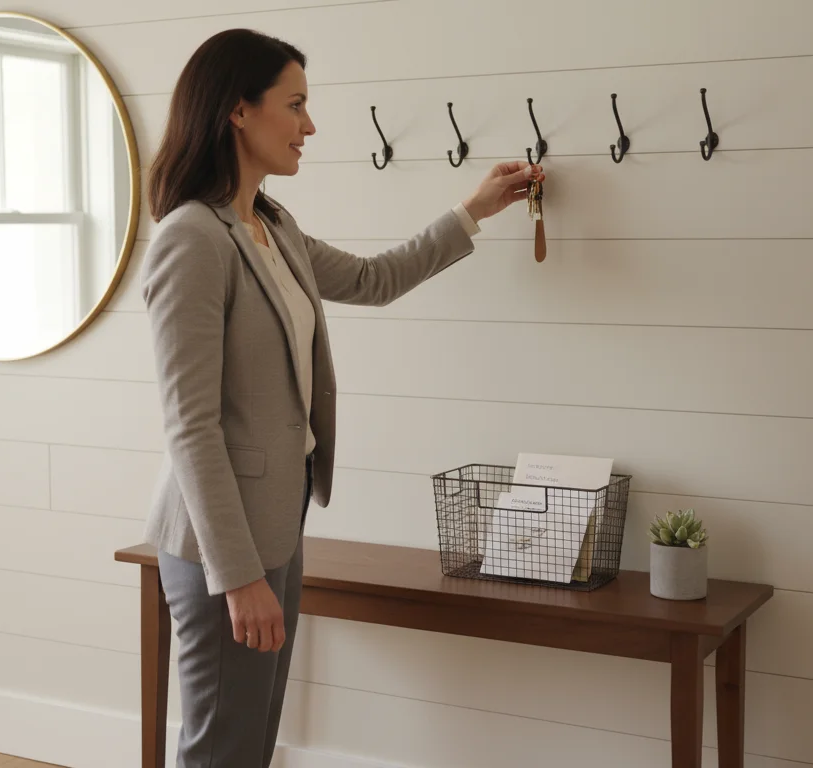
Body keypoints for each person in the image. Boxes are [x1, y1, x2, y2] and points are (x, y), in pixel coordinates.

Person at [139, 27, 546, 768]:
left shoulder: (270, 226)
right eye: (294, 105)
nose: (309, 125)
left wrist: (475, 209)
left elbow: (373, 279)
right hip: (219, 548)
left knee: (249, 743)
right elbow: (190, 426)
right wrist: (238, 578)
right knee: (221, 747)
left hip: (278, 524)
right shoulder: (192, 239)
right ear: (238, 111)